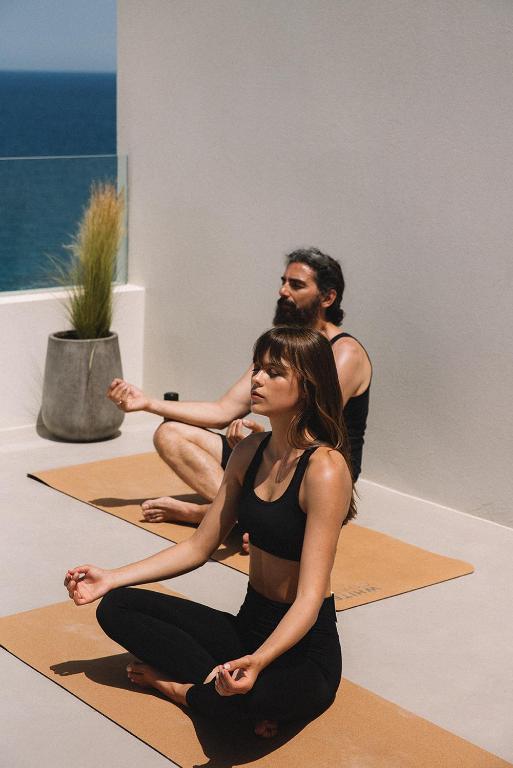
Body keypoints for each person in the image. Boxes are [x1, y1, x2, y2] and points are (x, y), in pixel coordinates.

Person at [66, 327, 355, 738]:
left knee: (258, 698)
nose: (257, 379)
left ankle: (182, 690)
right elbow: (198, 548)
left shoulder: (325, 469)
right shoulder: (249, 453)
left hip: (302, 649)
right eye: (257, 368)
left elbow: (309, 599)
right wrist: (111, 577)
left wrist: (259, 661)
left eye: (273, 372)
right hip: (248, 626)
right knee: (116, 606)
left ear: (307, 387)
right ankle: (222, 692)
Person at [107, 247, 371, 525]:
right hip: (277, 453)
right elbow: (223, 411)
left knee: (262, 453)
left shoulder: (345, 353)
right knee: (169, 433)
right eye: (283, 282)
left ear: (328, 298)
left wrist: (261, 441)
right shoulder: (284, 347)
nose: (283, 291)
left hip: (317, 468)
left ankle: (214, 515)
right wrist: (147, 403)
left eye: (296, 285)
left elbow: (314, 428)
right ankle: (234, 515)